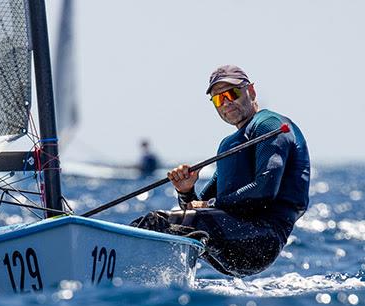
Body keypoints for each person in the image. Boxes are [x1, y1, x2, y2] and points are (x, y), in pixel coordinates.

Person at [132, 65, 310, 277]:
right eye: (218, 99)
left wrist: (208, 205)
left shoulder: (268, 124)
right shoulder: (231, 143)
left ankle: (118, 272)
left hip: (262, 238)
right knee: (169, 226)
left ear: (251, 92)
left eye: (232, 93)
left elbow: (264, 190)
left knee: (157, 222)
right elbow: (196, 207)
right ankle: (149, 283)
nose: (226, 102)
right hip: (234, 234)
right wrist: (186, 191)